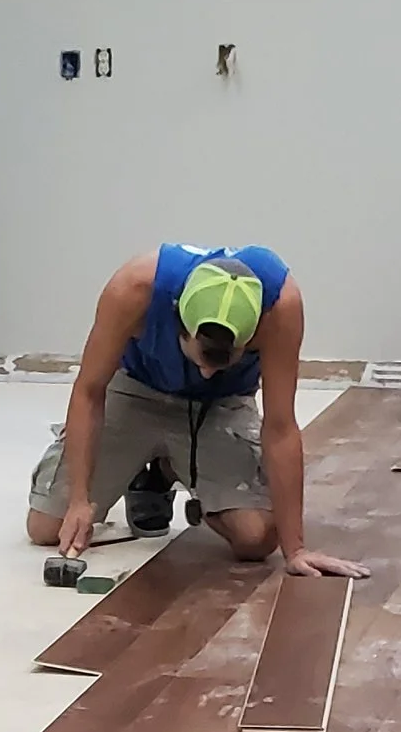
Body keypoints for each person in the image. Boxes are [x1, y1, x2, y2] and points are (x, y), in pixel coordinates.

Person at [27, 244, 368, 579]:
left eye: (223, 361)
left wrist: (296, 550)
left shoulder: (279, 308)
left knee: (256, 539)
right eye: (202, 358)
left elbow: (280, 427)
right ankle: (144, 470)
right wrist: (79, 502)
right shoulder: (135, 288)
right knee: (46, 527)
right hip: (136, 389)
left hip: (219, 406)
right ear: (180, 322)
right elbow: (89, 391)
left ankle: (169, 469)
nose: (207, 373)